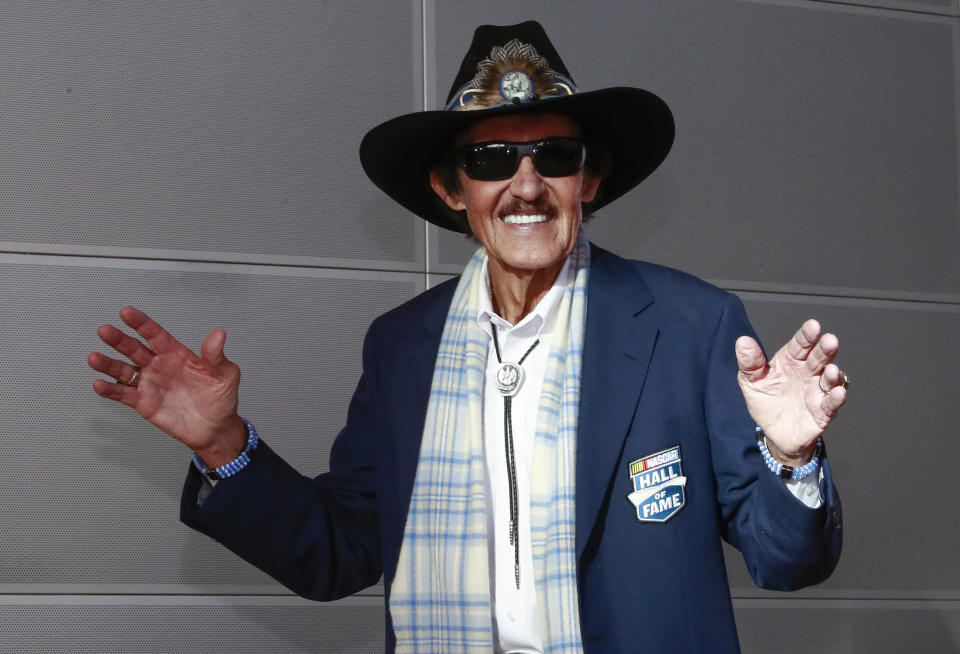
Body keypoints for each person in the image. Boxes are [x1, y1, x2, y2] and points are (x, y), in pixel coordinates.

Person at [88, 21, 847, 654]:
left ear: (589, 180)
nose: (525, 184)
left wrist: (792, 455)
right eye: (490, 160)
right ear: (452, 191)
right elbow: (342, 552)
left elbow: (788, 563)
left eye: (554, 155)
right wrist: (225, 446)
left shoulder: (691, 324)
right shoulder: (400, 347)